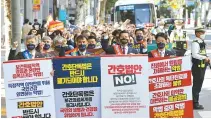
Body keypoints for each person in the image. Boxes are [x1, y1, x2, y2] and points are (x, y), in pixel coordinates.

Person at [191, 27, 210, 110]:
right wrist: (204, 58)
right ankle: (195, 103)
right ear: (197, 33)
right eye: (202, 33)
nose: (204, 34)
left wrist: (207, 58)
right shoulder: (195, 43)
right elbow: (194, 55)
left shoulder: (201, 41)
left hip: (202, 66)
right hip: (197, 67)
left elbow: (202, 52)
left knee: (199, 84)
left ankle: (195, 102)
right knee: (197, 85)